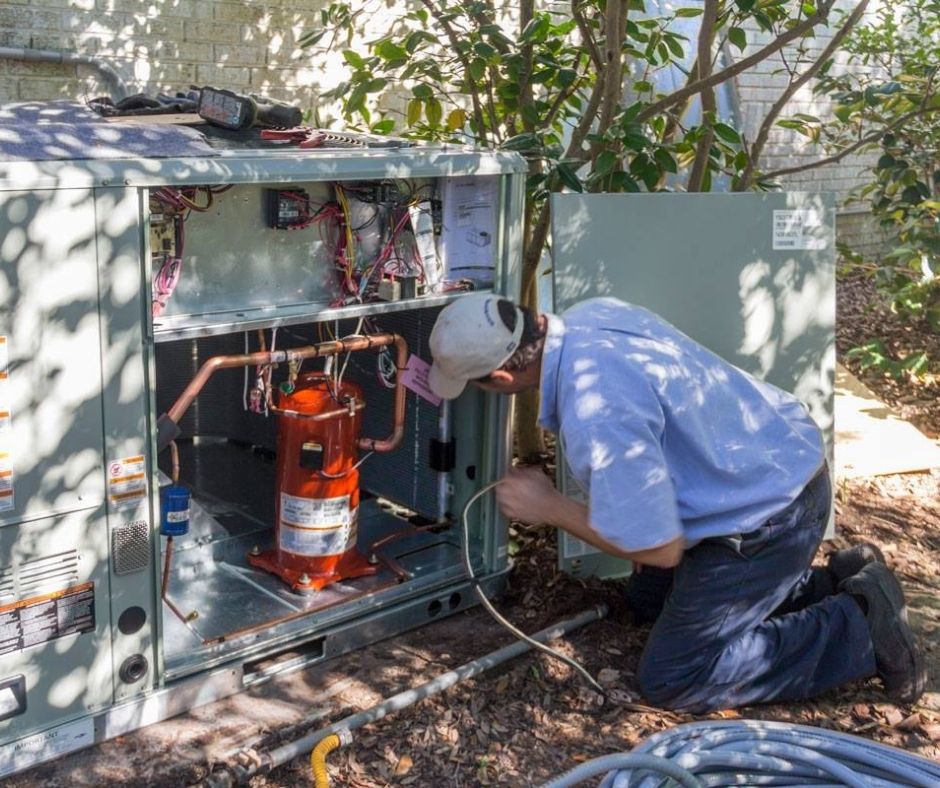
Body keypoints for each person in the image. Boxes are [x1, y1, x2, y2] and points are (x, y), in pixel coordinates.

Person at [427, 293, 926, 712]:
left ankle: (858, 627)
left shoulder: (596, 411)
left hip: (770, 515)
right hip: (780, 462)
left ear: (501, 379)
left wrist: (549, 506)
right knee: (648, 600)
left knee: (675, 675)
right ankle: (834, 583)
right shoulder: (593, 315)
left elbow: (661, 550)